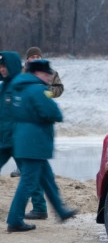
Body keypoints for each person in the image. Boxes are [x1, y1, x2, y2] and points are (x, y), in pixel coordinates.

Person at [5, 59, 77, 232]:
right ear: (37, 73)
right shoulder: (37, 89)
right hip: (35, 142)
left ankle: (60, 210)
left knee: (47, 178)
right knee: (28, 182)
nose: (48, 77)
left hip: (22, 140)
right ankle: (15, 220)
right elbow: (54, 112)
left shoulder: (16, 88)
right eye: (46, 74)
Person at [11, 47, 62, 217]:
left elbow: (58, 90)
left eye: (37, 56)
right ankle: (56, 210)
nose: (34, 58)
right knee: (39, 174)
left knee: (32, 175)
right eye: (32, 56)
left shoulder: (46, 74)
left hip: (30, 133)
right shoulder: (20, 73)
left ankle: (30, 212)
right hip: (24, 131)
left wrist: (47, 94)